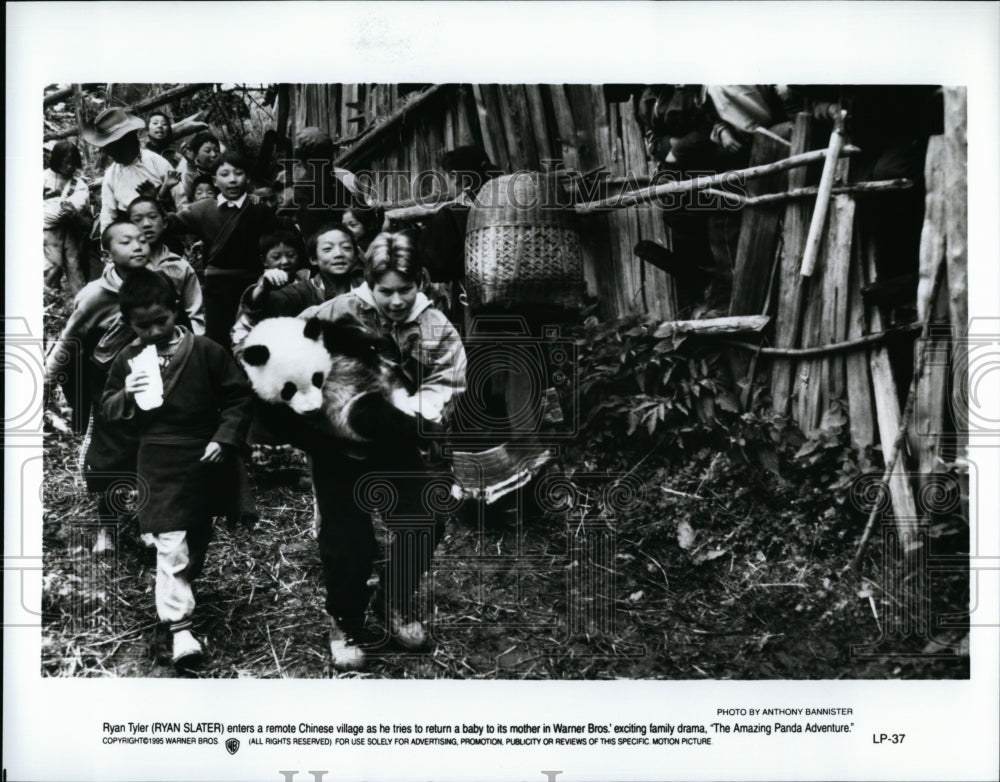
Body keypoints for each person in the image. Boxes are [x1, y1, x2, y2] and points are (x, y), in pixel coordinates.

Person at [292, 232, 467, 670]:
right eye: (384, 290)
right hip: (339, 445)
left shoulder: (435, 326)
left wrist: (412, 412)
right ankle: (346, 619)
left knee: (423, 520)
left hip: (400, 439)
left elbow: (448, 380)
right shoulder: (334, 313)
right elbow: (289, 356)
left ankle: (393, 599)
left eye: (404, 291)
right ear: (366, 280)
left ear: (420, 282)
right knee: (347, 541)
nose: (394, 301)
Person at [100, 268, 253, 667]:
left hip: (203, 457)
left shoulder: (206, 351)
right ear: (128, 323)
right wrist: (126, 397)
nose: (153, 331)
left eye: (161, 321)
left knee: (196, 536)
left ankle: (182, 585)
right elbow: (108, 409)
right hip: (157, 460)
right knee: (171, 541)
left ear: (177, 310)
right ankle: (180, 628)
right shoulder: (128, 359)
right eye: (142, 325)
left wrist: (224, 437)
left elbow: (238, 398)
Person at [44, 222, 154, 554]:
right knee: (108, 457)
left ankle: (150, 523)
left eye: (143, 240)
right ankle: (108, 529)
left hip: (149, 379)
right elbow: (69, 338)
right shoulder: (94, 294)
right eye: (127, 241)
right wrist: (47, 381)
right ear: (107, 253)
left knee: (149, 449)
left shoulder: (158, 283)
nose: (138, 246)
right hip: (105, 385)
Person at [168, 151, 278, 349]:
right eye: (225, 174)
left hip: (253, 288)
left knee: (255, 340)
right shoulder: (203, 209)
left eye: (238, 173)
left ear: (248, 178)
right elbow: (170, 224)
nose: (232, 180)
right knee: (218, 342)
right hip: (216, 291)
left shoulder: (260, 210)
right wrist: (157, 197)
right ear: (215, 181)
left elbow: (276, 244)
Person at [83, 107, 187, 233]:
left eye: (114, 147)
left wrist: (185, 231)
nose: (109, 153)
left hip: (162, 229)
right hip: (129, 235)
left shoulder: (156, 162)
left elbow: (180, 198)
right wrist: (107, 245)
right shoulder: (111, 175)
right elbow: (108, 215)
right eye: (107, 148)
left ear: (129, 140)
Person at [126, 196, 205, 335]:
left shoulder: (180, 266)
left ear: (164, 222)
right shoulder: (124, 266)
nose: (146, 224)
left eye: (152, 217)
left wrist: (195, 343)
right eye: (137, 220)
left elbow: (195, 313)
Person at [43, 140, 91, 294]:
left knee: (73, 264)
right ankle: (50, 296)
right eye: (66, 162)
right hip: (50, 231)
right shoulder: (43, 178)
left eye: (73, 163)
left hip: (71, 228)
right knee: (53, 265)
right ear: (56, 160)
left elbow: (82, 205)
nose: (70, 167)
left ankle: (80, 300)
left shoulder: (78, 184)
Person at [177, 131, 222, 202]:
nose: (214, 154)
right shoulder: (190, 171)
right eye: (207, 151)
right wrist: (191, 164)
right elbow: (190, 190)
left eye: (216, 150)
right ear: (196, 155)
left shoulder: (225, 167)